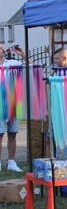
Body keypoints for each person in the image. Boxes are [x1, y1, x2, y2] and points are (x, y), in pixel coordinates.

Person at [0, 43, 24, 172]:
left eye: (0, 47)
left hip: (14, 102)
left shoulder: (12, 63)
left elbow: (32, 67)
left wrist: (23, 54)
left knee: (13, 133)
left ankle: (11, 162)